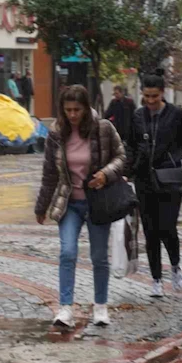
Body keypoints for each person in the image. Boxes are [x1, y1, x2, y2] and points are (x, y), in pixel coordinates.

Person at [34, 85, 125, 328]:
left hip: (97, 202)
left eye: (77, 110)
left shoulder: (103, 128)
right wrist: (41, 206)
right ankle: (65, 309)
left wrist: (106, 174)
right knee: (67, 252)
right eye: (68, 110)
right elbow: (49, 173)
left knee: (98, 256)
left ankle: (101, 307)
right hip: (68, 203)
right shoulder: (56, 134)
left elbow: (121, 157)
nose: (73, 115)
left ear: (86, 108)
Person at [123, 72, 182, 298]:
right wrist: (125, 172)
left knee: (167, 227)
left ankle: (176, 266)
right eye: (147, 96)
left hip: (169, 178)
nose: (150, 101)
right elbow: (130, 146)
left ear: (162, 94)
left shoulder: (177, 115)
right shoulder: (138, 116)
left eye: (155, 96)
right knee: (150, 231)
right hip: (144, 180)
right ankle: (156, 278)